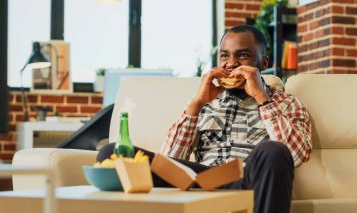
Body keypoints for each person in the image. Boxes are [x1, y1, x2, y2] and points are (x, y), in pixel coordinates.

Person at [97, 25, 312, 213]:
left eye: (242, 55)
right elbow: (169, 160)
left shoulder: (286, 103)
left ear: (263, 62)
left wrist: (261, 98)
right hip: (200, 179)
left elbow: (294, 155)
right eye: (225, 56)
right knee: (112, 154)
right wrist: (197, 104)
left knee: (273, 150)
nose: (230, 64)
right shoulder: (204, 102)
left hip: (248, 180)